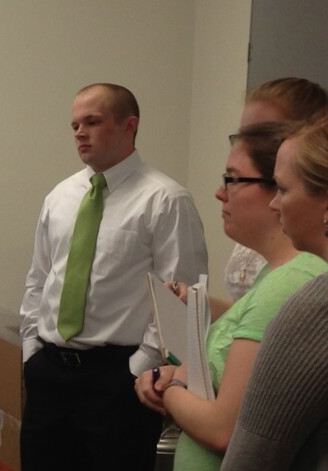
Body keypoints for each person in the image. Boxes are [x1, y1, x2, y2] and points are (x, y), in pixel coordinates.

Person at [19, 83, 208, 470]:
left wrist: (137, 369)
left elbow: (180, 297)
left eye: (92, 121)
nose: (80, 134)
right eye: (74, 125)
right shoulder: (61, 196)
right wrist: (31, 350)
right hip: (49, 374)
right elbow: (39, 277)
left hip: (117, 380)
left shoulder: (165, 200)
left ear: (130, 126)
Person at [133, 122, 325, 470]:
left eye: (233, 179)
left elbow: (233, 436)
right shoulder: (278, 275)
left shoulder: (295, 280)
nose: (220, 193)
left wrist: (173, 384)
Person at [222, 118, 328, 470]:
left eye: (282, 189)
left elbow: (253, 459)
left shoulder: (314, 308)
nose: (273, 204)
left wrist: (173, 390)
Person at [224, 78, 328, 302]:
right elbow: (254, 315)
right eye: (244, 134)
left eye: (265, 134)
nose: (252, 144)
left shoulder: (304, 255)